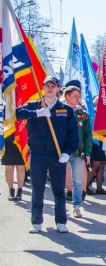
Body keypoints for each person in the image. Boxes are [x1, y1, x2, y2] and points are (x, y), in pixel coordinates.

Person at [16, 76, 78, 233]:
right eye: (47, 86)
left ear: (58, 88)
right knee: (38, 189)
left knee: (58, 189)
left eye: (53, 86)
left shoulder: (66, 109)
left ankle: (61, 221)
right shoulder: (34, 105)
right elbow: (16, 113)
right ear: (43, 87)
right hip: (38, 154)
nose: (50, 89)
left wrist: (67, 153)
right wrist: (37, 113)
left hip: (57, 154)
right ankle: (36, 222)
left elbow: (73, 135)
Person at [62, 84, 93, 218]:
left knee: (78, 181)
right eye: (75, 96)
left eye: (79, 96)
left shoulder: (83, 115)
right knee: (59, 180)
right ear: (67, 97)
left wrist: (87, 153)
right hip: (61, 152)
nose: (78, 98)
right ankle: (61, 209)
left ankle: (77, 206)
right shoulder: (60, 111)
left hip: (77, 153)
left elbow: (87, 135)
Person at [3, 135, 25, 201]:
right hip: (8, 138)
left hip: (21, 138)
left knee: (20, 166)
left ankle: (19, 191)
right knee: (9, 166)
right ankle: (11, 191)